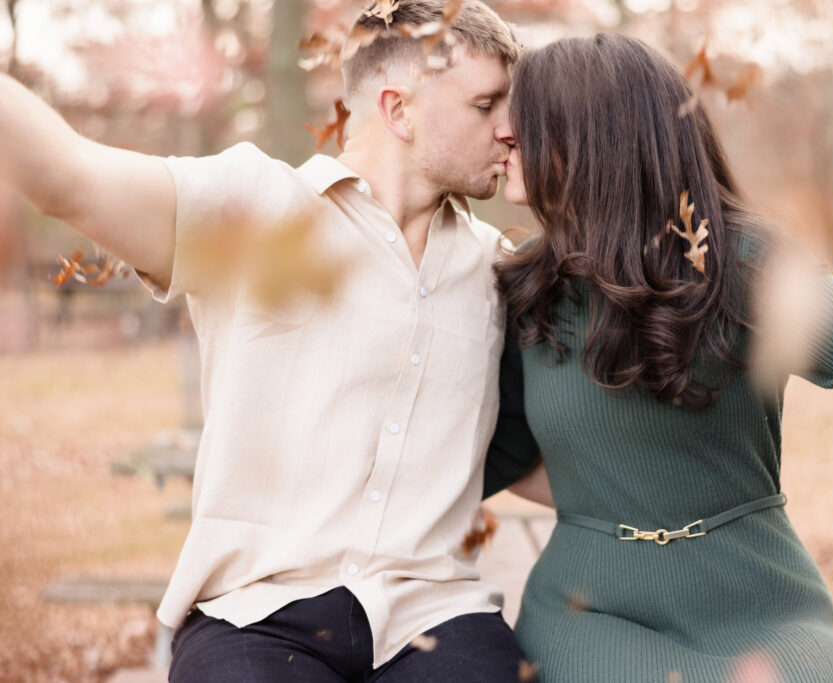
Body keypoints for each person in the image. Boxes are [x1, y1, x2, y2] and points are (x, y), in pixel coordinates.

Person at [0, 2, 532, 680]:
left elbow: (564, 434)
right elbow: (66, 177)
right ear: (399, 111)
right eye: (487, 105)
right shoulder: (253, 206)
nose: (511, 129)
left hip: (437, 616)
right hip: (256, 614)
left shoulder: (501, 270)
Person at [485, 34, 833, 682]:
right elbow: (499, 457)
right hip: (590, 609)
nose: (502, 132)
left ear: (591, 134)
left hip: (760, 596)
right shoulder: (524, 287)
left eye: (524, 115)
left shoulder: (743, 261)